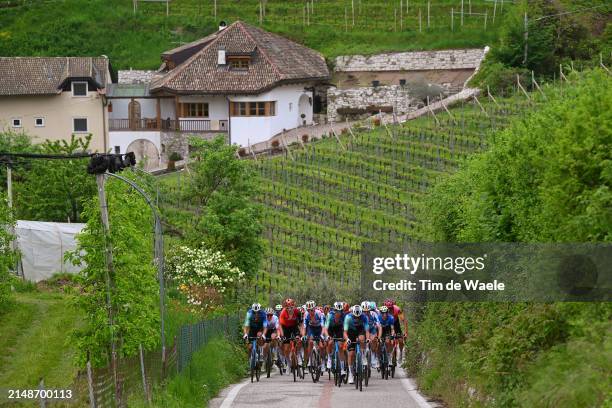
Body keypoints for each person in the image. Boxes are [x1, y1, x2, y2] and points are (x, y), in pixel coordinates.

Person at [343, 305, 370, 384]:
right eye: (355, 317)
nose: (357, 318)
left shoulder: (364, 317)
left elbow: (367, 330)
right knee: (351, 354)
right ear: (353, 314)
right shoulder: (348, 317)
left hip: (360, 330)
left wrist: (368, 338)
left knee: (362, 339)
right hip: (351, 332)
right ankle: (351, 374)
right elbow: (344, 332)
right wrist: (347, 339)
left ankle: (363, 355)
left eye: (359, 317)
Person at [323, 301, 347, 376]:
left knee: (340, 346)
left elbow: (345, 329)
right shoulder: (330, 315)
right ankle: (329, 358)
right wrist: (327, 336)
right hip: (331, 329)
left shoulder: (344, 316)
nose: (338, 313)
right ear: (334, 310)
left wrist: (345, 337)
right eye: (337, 311)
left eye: (340, 311)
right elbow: (325, 329)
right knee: (330, 343)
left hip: (339, 329)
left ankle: (342, 369)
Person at [302, 300, 326, 373]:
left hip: (319, 329)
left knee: (321, 347)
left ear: (314, 309)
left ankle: (323, 363)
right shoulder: (306, 314)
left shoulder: (319, 314)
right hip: (311, 329)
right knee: (311, 341)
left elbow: (323, 326)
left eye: (312, 310)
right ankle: (310, 359)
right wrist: (303, 335)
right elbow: (304, 326)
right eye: (308, 310)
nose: (310, 312)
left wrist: (322, 335)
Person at [279, 298, 303, 365]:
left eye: (291, 307)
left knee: (299, 340)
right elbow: (280, 326)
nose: (290, 309)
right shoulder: (283, 313)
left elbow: (301, 324)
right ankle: (288, 363)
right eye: (287, 308)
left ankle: (298, 356)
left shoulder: (297, 312)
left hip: (294, 327)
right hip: (285, 328)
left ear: (294, 306)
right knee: (286, 349)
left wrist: (302, 334)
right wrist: (282, 335)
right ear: (285, 308)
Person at [362, 301, 381, 369]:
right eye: (364, 311)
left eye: (368, 311)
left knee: (373, 340)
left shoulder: (373, 314)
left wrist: (378, 337)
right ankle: (361, 356)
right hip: (363, 330)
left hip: (371, 329)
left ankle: (373, 358)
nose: (366, 313)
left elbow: (379, 325)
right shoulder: (360, 314)